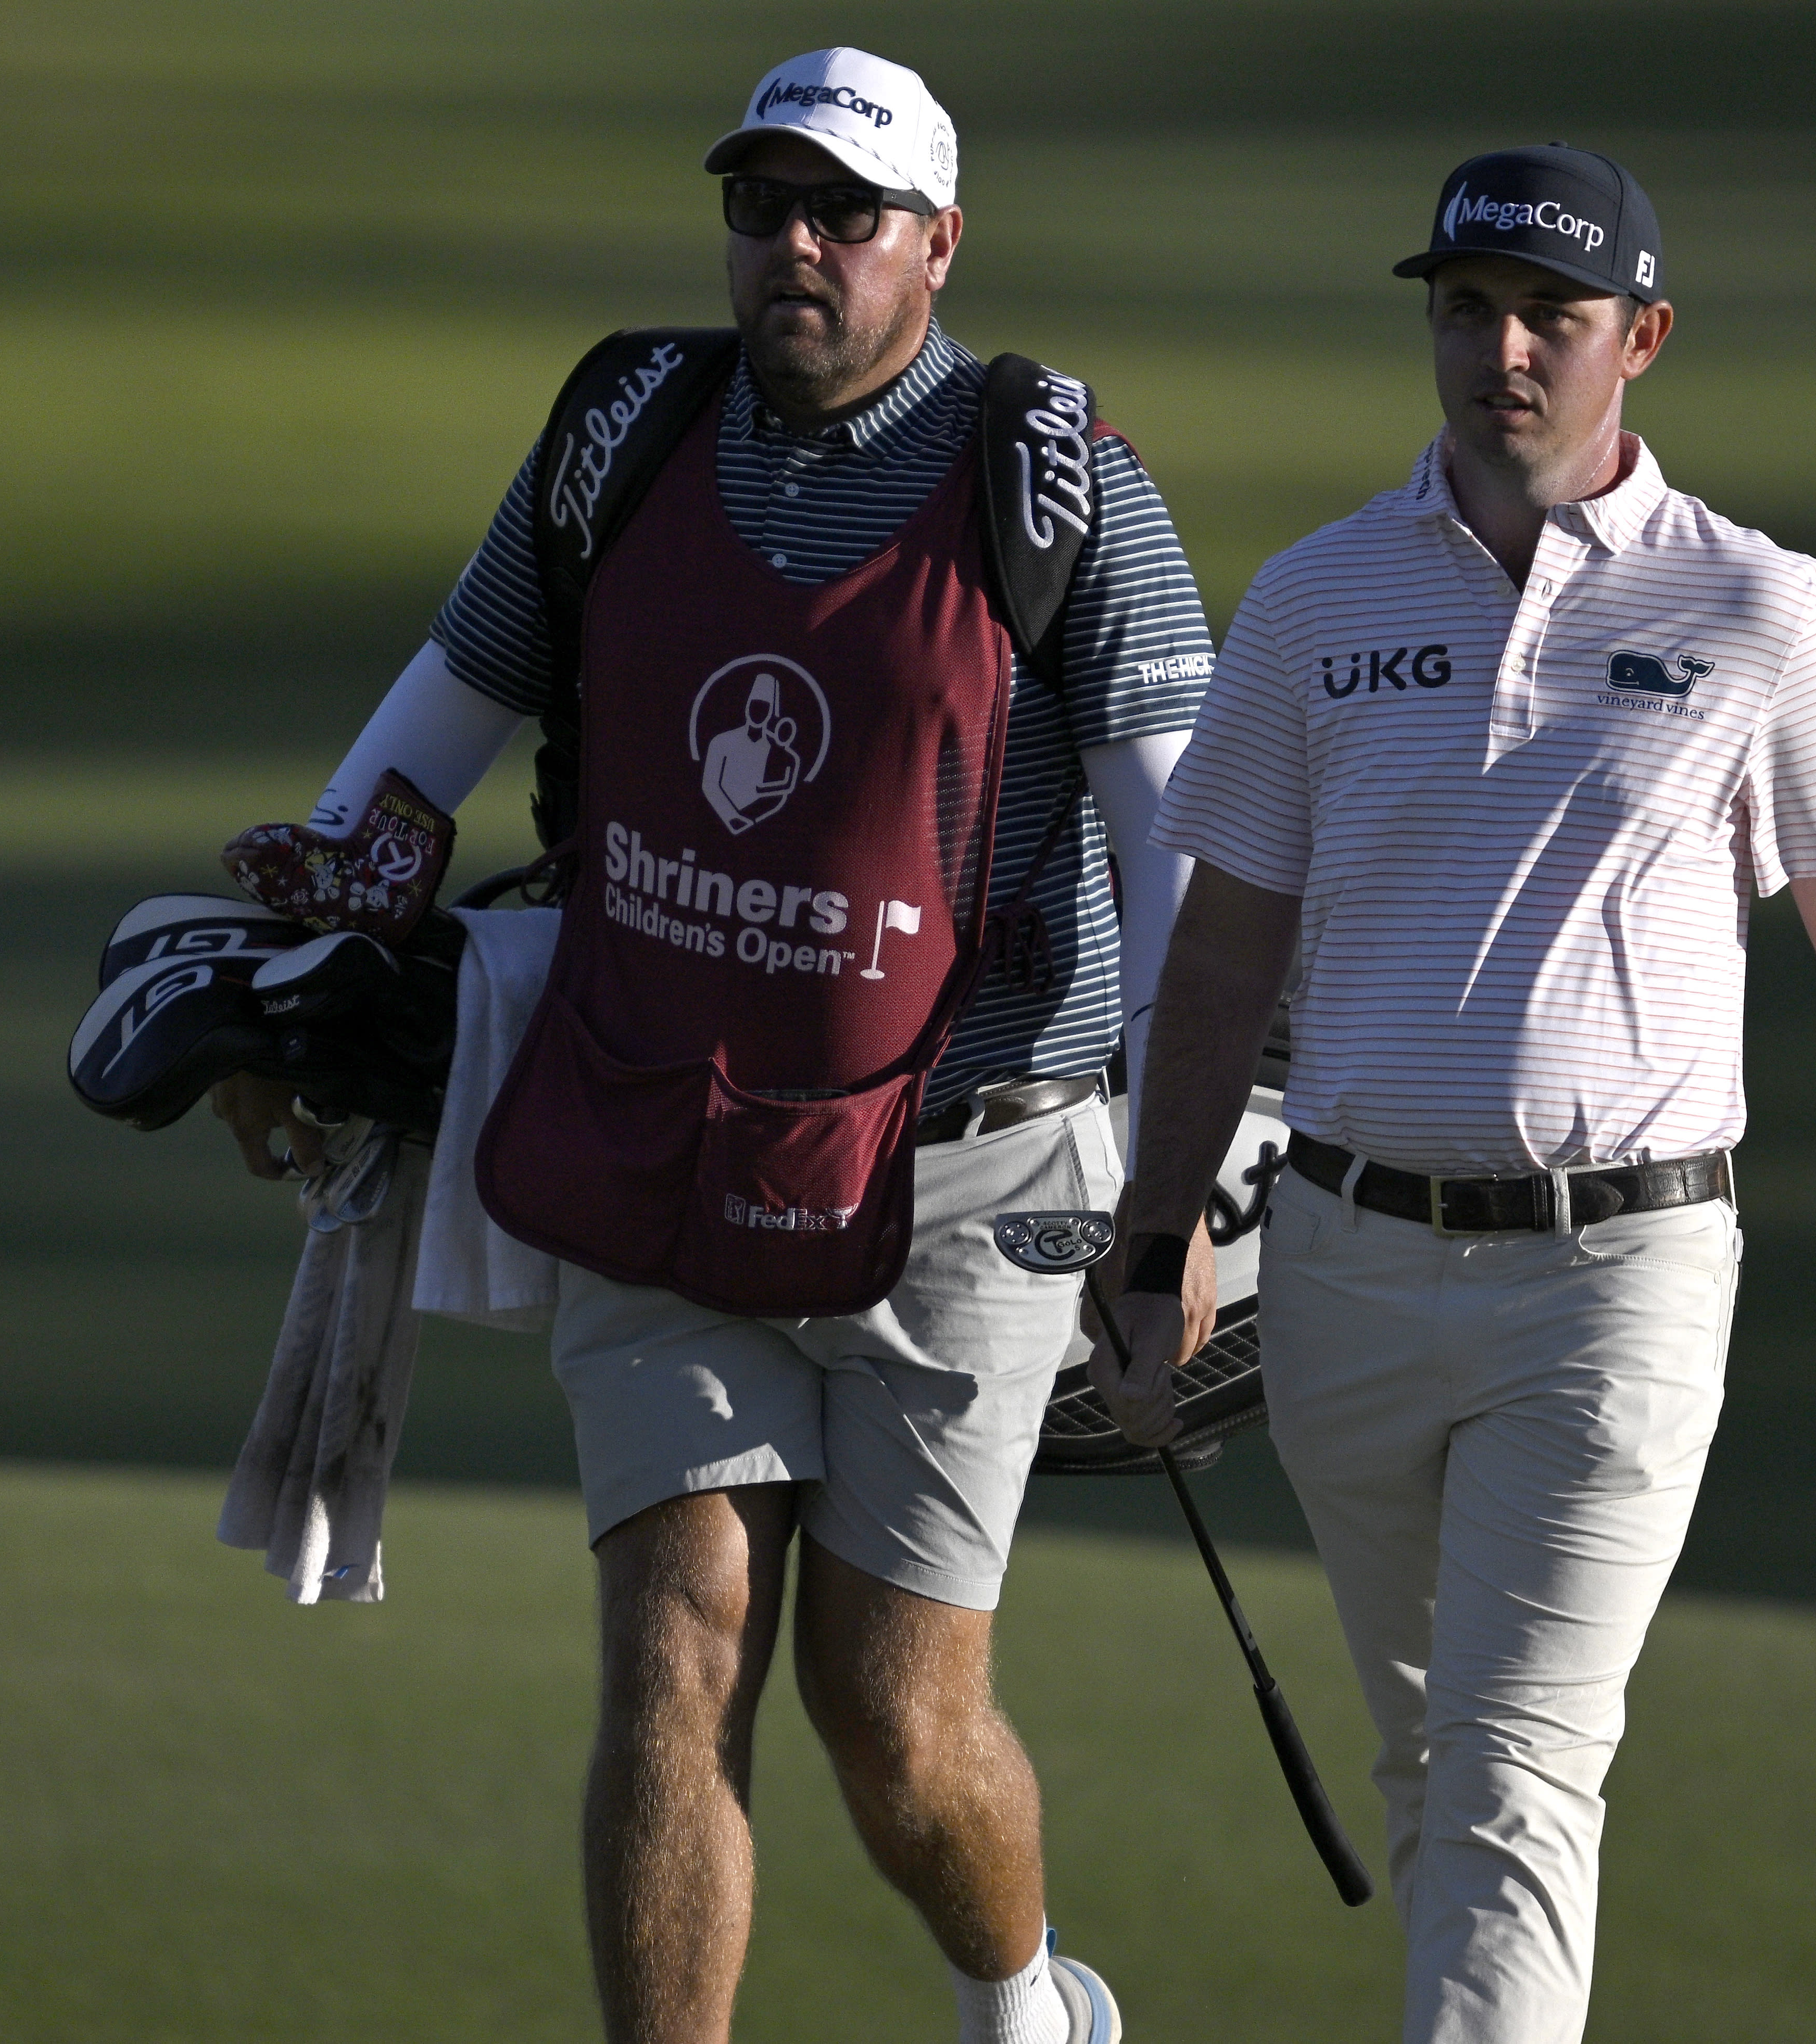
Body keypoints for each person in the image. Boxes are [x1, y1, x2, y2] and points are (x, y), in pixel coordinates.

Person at [211, 48, 1211, 2044]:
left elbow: (1174, 834)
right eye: (764, 207)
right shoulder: (626, 427)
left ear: (938, 244)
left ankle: (1023, 2001)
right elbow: (441, 720)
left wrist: (1171, 1187)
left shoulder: (1058, 472)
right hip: (658, 1131)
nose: (797, 249)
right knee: (673, 1654)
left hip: (975, 1165)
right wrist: (286, 957)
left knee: (895, 1723)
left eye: (845, 214)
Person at [1103, 145, 1816, 2043]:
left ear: (1642, 341)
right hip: (1343, 1265)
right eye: (1464, 309)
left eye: (1550, 317)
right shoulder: (1310, 602)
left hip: (1618, 1276)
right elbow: (1220, 951)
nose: (1499, 351)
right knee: (1437, 1767)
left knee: (1518, 1775)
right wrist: (1154, 1225)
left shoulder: (1758, 609)